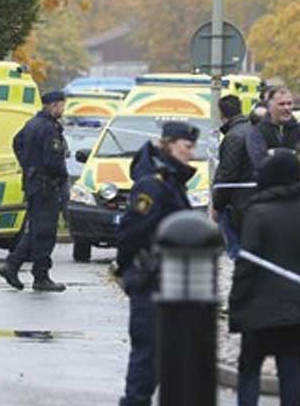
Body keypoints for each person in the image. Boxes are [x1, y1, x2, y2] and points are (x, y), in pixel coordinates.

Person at [116, 122, 198, 406]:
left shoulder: (173, 181)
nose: (191, 153)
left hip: (170, 283)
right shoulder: (154, 184)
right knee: (147, 361)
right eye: (187, 147)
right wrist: (127, 272)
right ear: (169, 144)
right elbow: (130, 232)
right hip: (151, 283)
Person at [231, 149, 300, 406]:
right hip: (297, 306)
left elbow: (247, 265)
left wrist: (236, 301)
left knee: (249, 368)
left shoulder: (258, 212)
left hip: (258, 308)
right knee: (291, 367)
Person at [0, 91, 69, 292]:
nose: (63, 110)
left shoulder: (32, 123)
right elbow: (53, 161)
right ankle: (40, 276)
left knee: (36, 229)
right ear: (54, 105)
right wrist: (61, 177)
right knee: (46, 232)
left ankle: (12, 266)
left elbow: (17, 142)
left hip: (33, 184)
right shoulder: (49, 128)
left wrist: (28, 166)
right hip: (46, 186)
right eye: (62, 106)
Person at [212, 95, 255, 259]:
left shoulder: (233, 137)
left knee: (237, 254)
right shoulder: (251, 130)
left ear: (222, 115)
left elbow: (227, 175)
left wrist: (217, 204)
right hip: (249, 204)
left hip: (236, 207)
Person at [255, 86, 300, 150]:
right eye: (281, 104)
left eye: (289, 104)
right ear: (270, 107)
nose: (286, 108)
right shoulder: (258, 131)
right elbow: (260, 158)